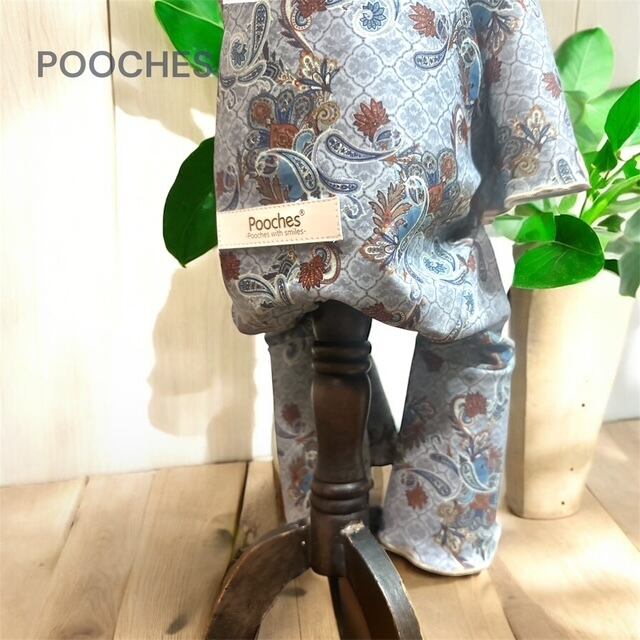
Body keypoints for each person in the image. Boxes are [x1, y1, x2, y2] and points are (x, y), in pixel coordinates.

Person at [214, 0, 588, 574]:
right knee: (471, 324)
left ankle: (315, 501)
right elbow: (508, 15)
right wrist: (531, 147)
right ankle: (439, 528)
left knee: (294, 311)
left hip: (265, 135)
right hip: (404, 124)